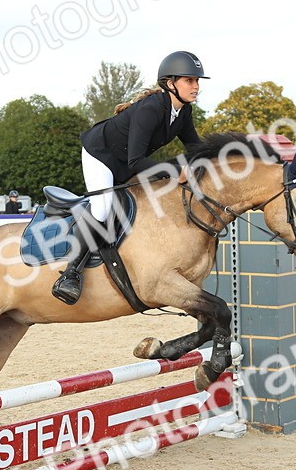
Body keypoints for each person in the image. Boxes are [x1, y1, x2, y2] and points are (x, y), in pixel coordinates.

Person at [50, 50, 207, 304]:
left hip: (125, 162)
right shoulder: (151, 109)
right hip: (101, 156)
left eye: (197, 81)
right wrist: (173, 171)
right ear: (170, 83)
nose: (196, 86)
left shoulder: (183, 113)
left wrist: (221, 162)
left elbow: (196, 150)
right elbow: (137, 161)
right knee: (102, 207)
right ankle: (70, 274)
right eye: (189, 80)